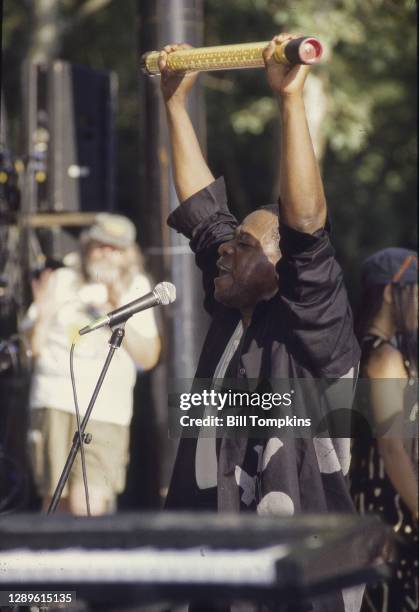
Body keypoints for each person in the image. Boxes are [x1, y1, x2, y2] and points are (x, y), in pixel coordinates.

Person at [159, 34, 362, 612]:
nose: (225, 251)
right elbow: (203, 214)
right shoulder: (232, 308)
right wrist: (174, 103)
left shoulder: (312, 327)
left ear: (280, 266)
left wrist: (290, 100)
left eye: (244, 245)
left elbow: (306, 228)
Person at [22, 213, 161, 515]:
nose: (107, 255)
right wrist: (43, 310)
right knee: (54, 498)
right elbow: (33, 347)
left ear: (129, 254)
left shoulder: (137, 287)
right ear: (87, 246)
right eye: (101, 246)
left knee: (91, 503)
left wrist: (115, 309)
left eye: (116, 249)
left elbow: (149, 357)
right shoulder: (63, 277)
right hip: (56, 398)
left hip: (106, 409)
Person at [350, 248, 418, 612]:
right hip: (390, 514)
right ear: (392, 292)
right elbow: (391, 448)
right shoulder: (386, 358)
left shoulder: (359, 350)